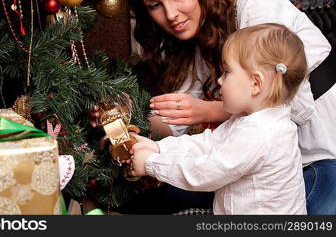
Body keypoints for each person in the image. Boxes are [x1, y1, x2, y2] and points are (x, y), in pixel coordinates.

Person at [90, 0, 335, 214]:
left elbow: (294, 106)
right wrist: (120, 118)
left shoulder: (258, 12)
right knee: (164, 198)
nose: (171, 14)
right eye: (155, 5)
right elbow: (175, 122)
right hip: (254, 171)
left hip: (324, 155)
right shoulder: (197, 52)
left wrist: (209, 111)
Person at [130, 23, 307, 214]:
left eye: (227, 72)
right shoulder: (251, 118)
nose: (220, 80)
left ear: (255, 83)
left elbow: (205, 172)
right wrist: (159, 148)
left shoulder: (260, 133)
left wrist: (151, 163)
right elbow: (209, 143)